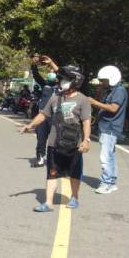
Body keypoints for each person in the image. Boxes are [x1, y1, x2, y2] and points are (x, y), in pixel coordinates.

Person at [20, 65, 91, 212]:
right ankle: (48, 203)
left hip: (74, 144)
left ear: (75, 81)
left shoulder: (83, 100)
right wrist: (30, 125)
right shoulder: (55, 97)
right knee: (52, 173)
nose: (61, 82)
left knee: (74, 173)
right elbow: (43, 115)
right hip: (54, 144)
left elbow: (86, 122)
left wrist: (86, 140)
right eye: (61, 79)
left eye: (65, 79)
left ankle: (74, 198)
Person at [89, 65, 128, 194]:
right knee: (110, 157)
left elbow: (113, 108)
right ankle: (112, 182)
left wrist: (94, 102)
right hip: (106, 126)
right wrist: (96, 120)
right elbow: (105, 109)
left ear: (112, 77)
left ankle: (106, 183)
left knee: (105, 157)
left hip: (111, 128)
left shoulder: (119, 91)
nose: (102, 82)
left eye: (104, 80)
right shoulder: (112, 90)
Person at [31, 55, 60, 167]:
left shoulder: (62, 87)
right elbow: (36, 75)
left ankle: (54, 159)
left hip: (55, 116)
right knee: (41, 138)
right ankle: (40, 157)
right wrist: (34, 64)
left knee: (55, 139)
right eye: (50, 71)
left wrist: (52, 63)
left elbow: (61, 74)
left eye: (53, 71)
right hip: (43, 115)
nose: (51, 72)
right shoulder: (45, 85)